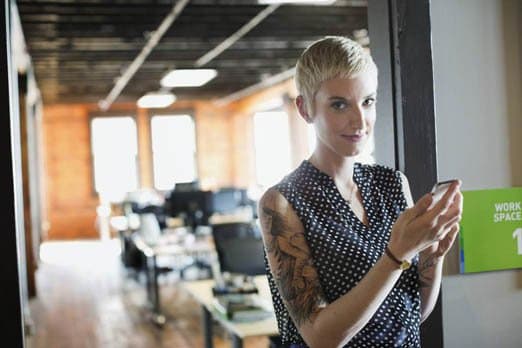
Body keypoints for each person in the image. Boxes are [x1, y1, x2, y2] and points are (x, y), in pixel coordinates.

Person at [257, 36, 463, 348]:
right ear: (305, 108)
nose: (360, 121)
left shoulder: (393, 184)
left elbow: (410, 314)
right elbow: (319, 337)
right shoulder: (283, 202)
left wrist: (432, 260)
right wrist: (396, 256)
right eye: (339, 104)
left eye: (367, 102)